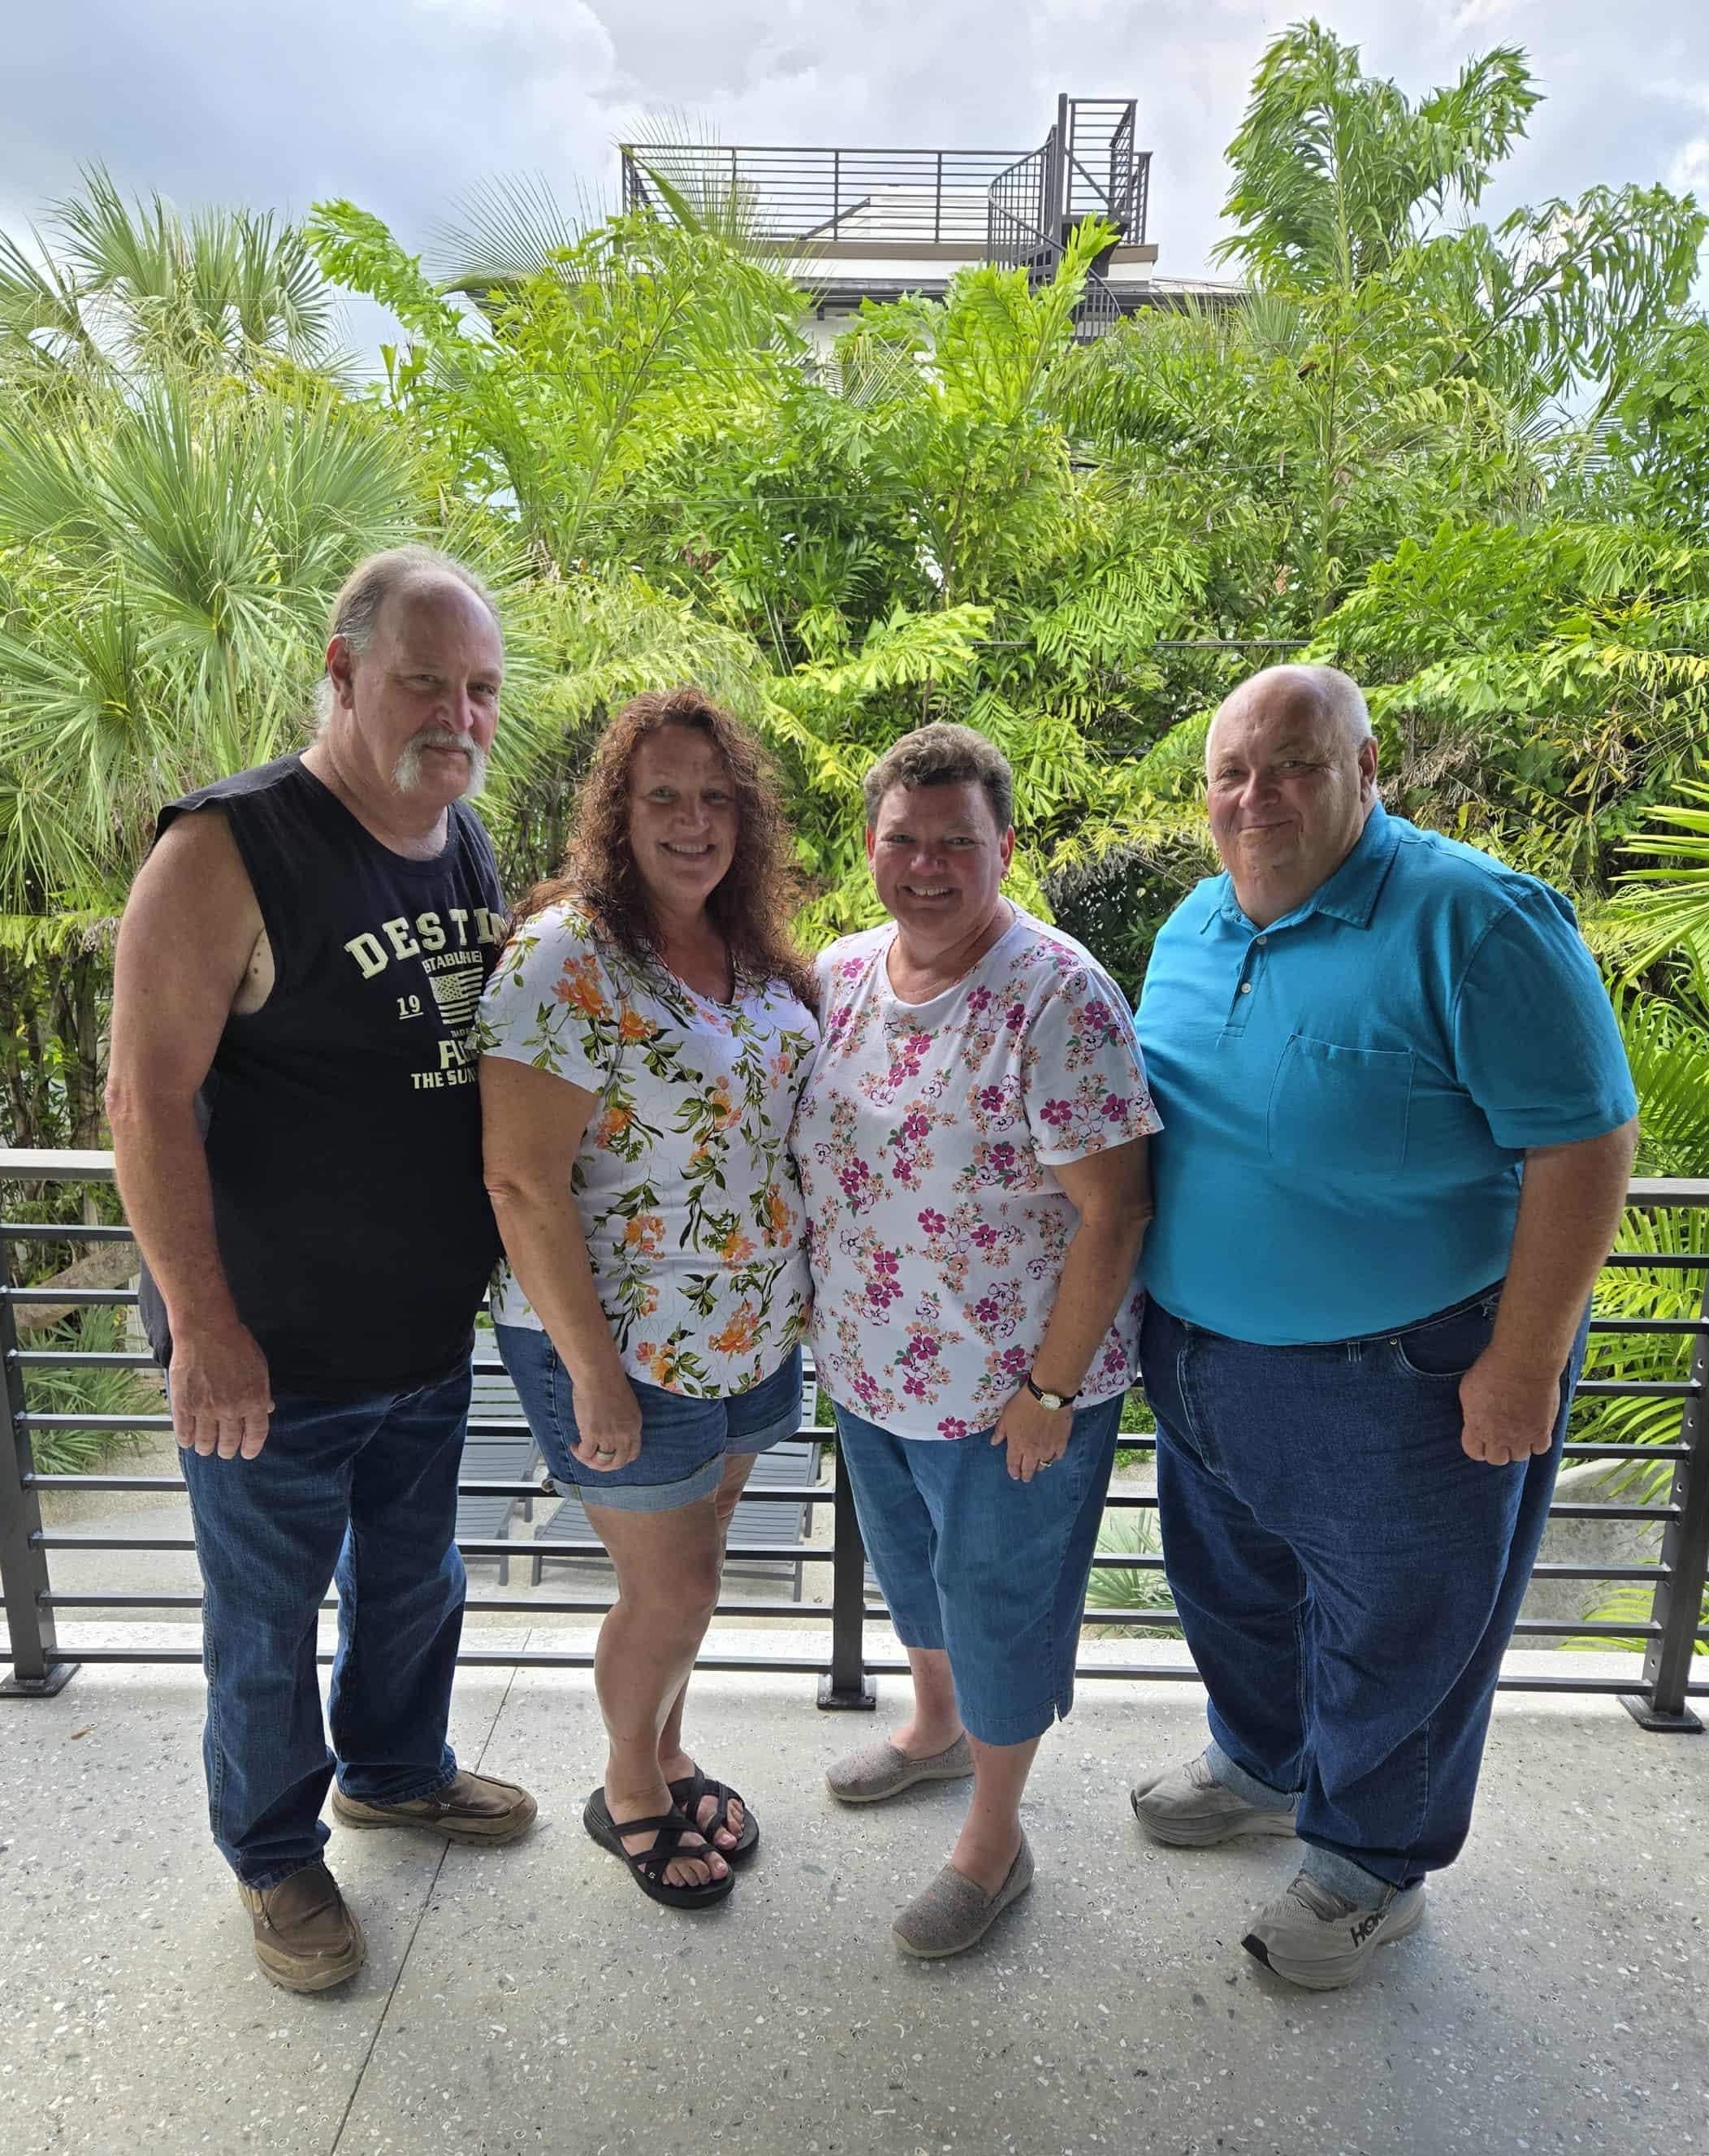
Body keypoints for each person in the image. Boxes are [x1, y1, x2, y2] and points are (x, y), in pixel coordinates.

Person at [1130, 664, 1638, 1989]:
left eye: (1294, 765)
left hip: (1405, 1376)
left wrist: (1522, 1362)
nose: (1257, 797)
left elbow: (1585, 1145)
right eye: (1232, 774)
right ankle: (1264, 1765)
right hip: (1201, 1358)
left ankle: (1371, 1868)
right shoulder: (1193, 923)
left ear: (1370, 771)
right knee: (1230, 1593)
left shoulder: (1475, 919)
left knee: (1403, 1634)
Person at [107, 547, 538, 1995]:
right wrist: (205, 1325)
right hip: (266, 1353)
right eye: (426, 681)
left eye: (480, 689)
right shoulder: (229, 848)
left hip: (419, 1333)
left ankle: (398, 1771)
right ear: (344, 674)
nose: (460, 714)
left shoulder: (457, 840)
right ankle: (276, 1855)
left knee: (417, 1584)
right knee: (266, 1624)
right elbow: (142, 1101)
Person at [794, 723, 1159, 1958]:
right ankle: (936, 1731)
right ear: (871, 845)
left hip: (1017, 1391)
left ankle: (994, 1841)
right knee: (918, 1578)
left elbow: (1118, 1207)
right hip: (872, 1370)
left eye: (959, 841)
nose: (929, 864)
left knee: (1001, 1603)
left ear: (1006, 847)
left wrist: (1053, 1389)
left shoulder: (1060, 995)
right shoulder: (841, 975)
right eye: (906, 838)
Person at [475, 688, 817, 1911]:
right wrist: (592, 1375)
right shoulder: (568, 953)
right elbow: (519, 1179)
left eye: (715, 798)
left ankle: (671, 1751)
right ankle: (629, 1783)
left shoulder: (753, 952)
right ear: (616, 811)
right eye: (662, 796)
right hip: (619, 1344)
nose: (692, 822)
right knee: (670, 1590)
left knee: (699, 1571)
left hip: (747, 1330)